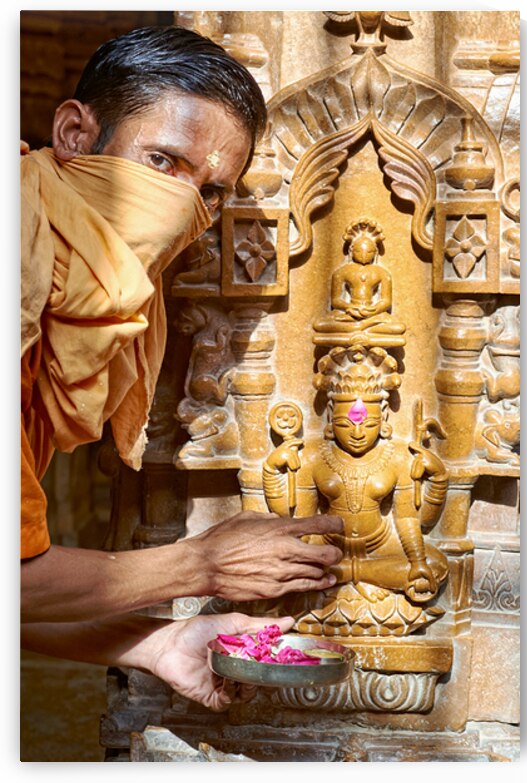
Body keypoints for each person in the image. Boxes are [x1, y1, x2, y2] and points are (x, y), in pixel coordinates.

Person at [20, 25, 343, 712]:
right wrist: (199, 562)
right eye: (162, 162)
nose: (182, 209)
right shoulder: (16, 271)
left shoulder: (83, 310)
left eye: (212, 191)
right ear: (76, 134)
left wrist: (155, 643)